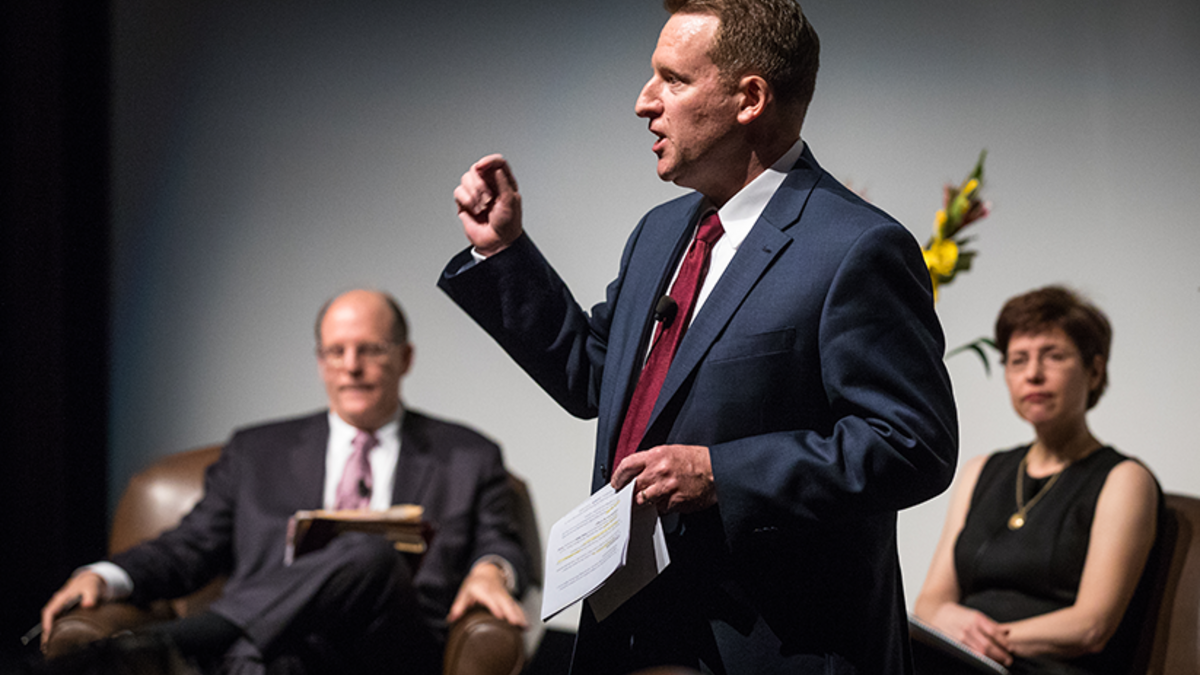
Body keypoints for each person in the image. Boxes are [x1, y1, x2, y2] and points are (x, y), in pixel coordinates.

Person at [438, 1, 957, 672]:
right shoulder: (660, 234)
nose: (643, 102)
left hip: (770, 645)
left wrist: (721, 473)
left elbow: (912, 444)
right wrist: (506, 253)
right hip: (630, 630)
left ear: (750, 98)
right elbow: (596, 373)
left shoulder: (856, 247)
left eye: (672, 79)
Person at [39, 289, 530, 674]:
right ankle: (235, 646)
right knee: (271, 656)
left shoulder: (467, 454)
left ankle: (194, 641)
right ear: (320, 362)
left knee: (371, 552)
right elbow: (187, 548)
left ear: (405, 358)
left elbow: (503, 542)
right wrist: (105, 575)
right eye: (336, 351)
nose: (351, 366)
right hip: (273, 654)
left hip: (390, 654)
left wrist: (492, 568)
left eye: (370, 350)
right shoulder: (256, 451)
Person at [912, 286, 1162, 675]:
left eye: (1054, 356)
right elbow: (930, 603)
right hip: (959, 660)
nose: (1033, 374)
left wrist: (979, 640)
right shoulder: (981, 470)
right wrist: (948, 626)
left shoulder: (1124, 479)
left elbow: (1091, 626)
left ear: (1094, 371)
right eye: (1017, 360)